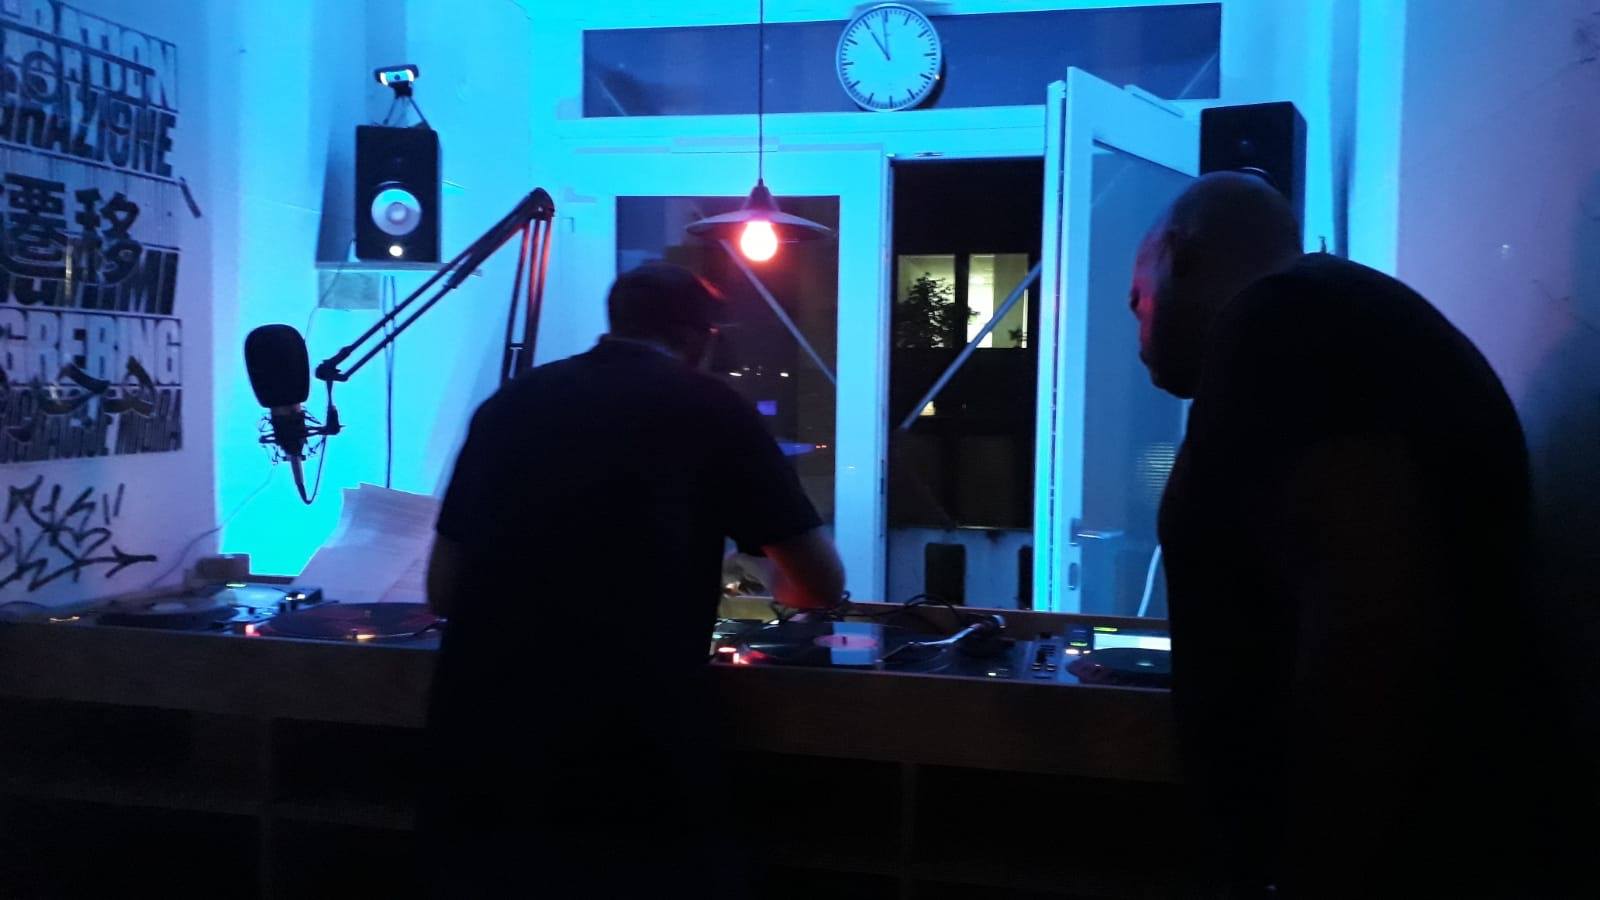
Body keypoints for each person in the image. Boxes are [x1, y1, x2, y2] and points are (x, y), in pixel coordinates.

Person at [1130, 173, 1580, 897]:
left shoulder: (1278, 320)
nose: (1134, 313)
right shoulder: (1345, 318)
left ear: (1181, 256)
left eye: (1138, 291)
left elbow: (1372, 627)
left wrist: (1312, 873)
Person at [423, 262, 845, 897]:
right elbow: (819, 583)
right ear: (700, 338)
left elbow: (442, 589)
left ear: (614, 320)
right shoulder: (711, 408)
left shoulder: (510, 404)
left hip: (485, 742)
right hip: (627, 747)